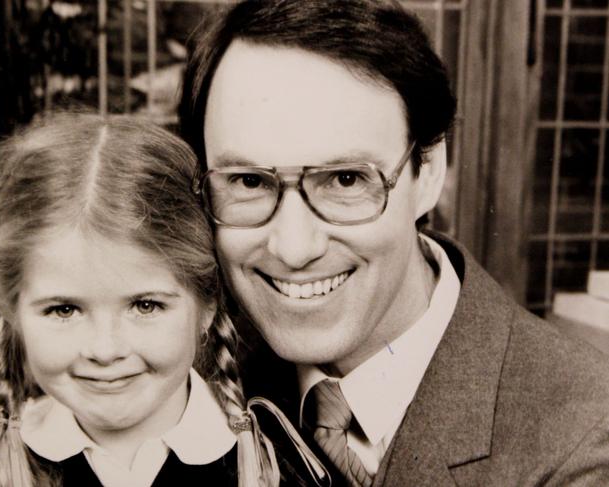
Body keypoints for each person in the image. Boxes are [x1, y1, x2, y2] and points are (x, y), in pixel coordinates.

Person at [178, 1, 609, 485]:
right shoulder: (176, 375)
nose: (294, 248)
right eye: (249, 182)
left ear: (429, 171)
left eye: (344, 180)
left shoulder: (582, 438)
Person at [0, 113, 325, 487]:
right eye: (64, 309)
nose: (105, 350)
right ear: (12, 308)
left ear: (207, 305)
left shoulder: (272, 470)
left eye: (145, 306)